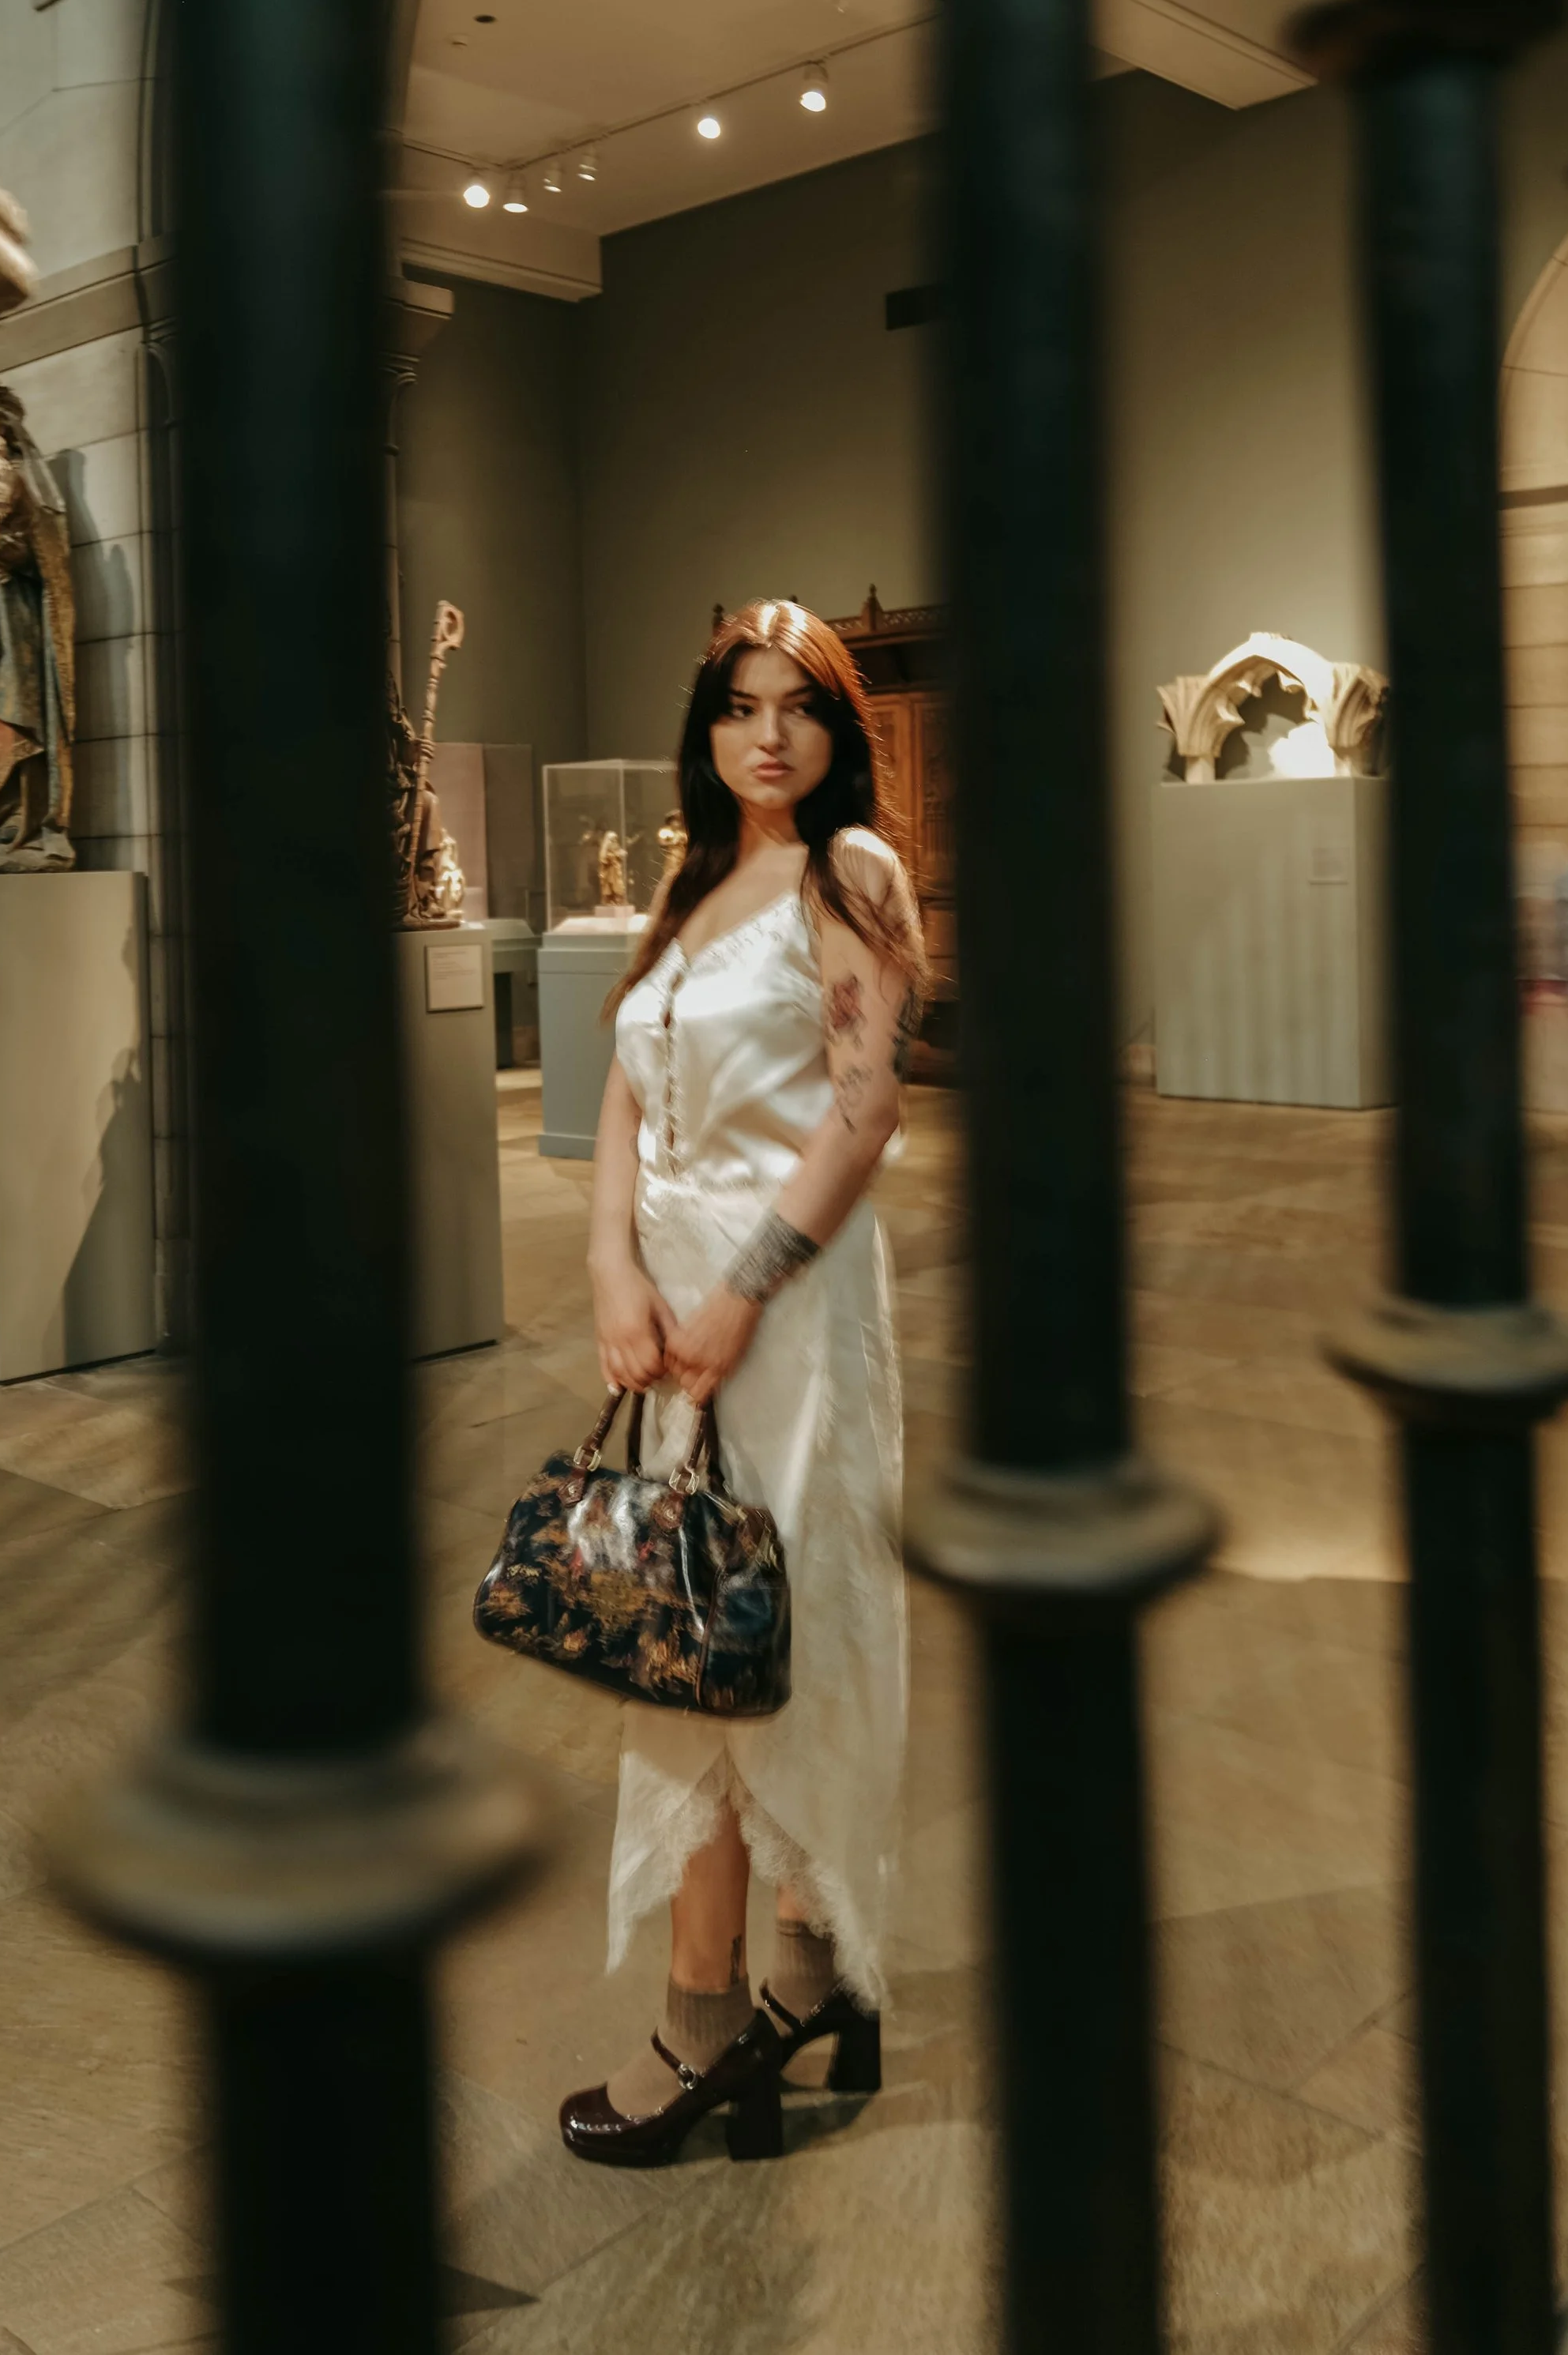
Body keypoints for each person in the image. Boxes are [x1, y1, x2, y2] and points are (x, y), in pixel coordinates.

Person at [559, 599, 925, 2169]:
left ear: (835, 733)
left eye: (798, 707)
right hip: (671, 1320)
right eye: (738, 706)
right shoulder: (689, 878)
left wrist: (737, 1289)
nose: (766, 734)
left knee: (752, 1647)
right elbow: (625, 1101)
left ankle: (708, 2016)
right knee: (703, 1617)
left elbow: (863, 1110)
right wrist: (608, 1273)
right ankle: (813, 1980)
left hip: (784, 1305)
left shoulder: (850, 875)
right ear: (704, 730)